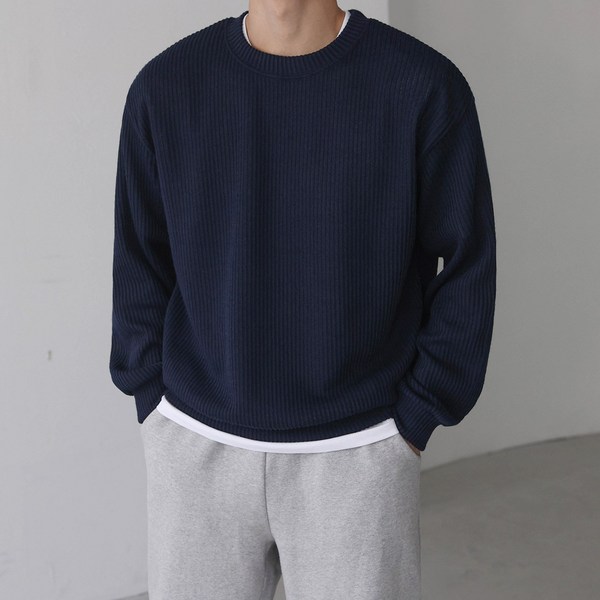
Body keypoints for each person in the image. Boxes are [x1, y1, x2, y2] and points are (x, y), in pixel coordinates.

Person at [109, 1, 496, 598]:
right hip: (195, 447)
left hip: (359, 454)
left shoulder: (422, 87)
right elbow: (139, 257)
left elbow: (469, 263)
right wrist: (153, 402)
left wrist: (416, 418)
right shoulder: (166, 87)